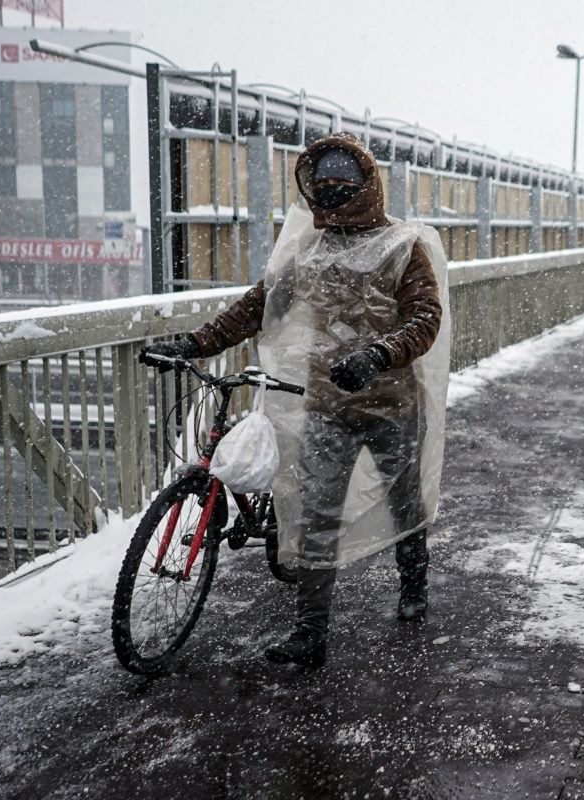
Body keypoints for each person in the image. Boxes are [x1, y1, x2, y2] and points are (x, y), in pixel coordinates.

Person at [140, 132, 449, 668]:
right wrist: (195, 343)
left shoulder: (403, 247)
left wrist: (377, 355)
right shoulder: (309, 250)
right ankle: (310, 635)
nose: (331, 195)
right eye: (322, 186)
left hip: (394, 406)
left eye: (342, 186)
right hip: (328, 404)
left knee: (404, 504)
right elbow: (255, 308)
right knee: (316, 516)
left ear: (365, 187)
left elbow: (424, 319)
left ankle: (413, 584)